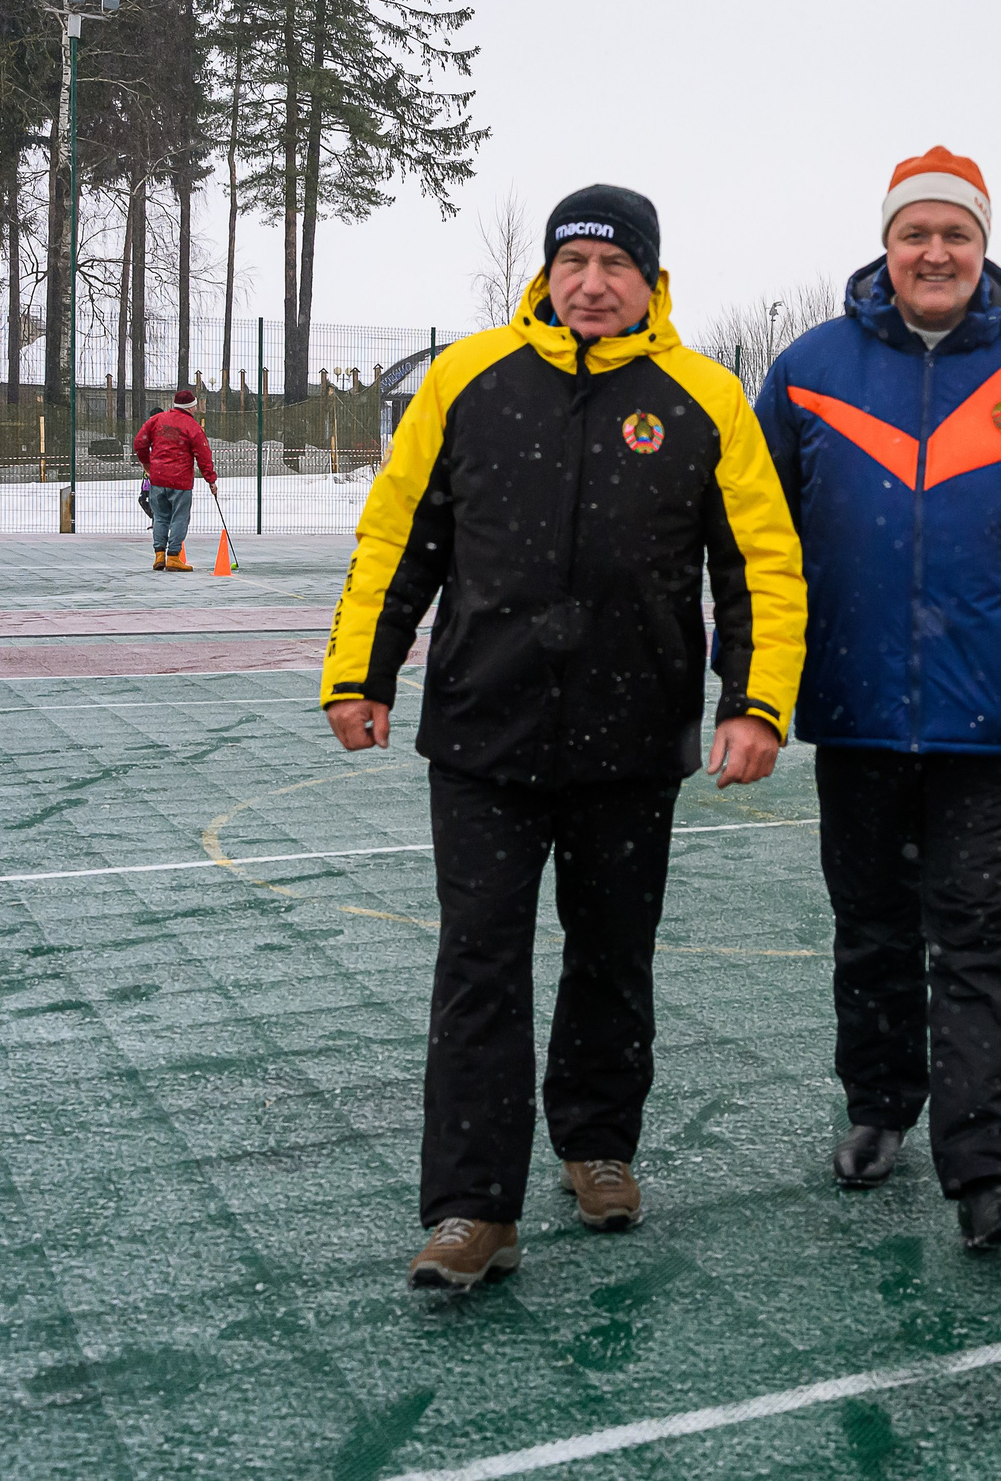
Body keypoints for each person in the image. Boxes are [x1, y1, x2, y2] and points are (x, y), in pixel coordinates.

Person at [320, 184, 807, 1291]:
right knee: (478, 966)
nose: (591, 284)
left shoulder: (703, 397)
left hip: (631, 744)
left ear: (651, 279)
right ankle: (469, 1210)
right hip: (483, 739)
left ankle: (598, 1148)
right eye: (571, 263)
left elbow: (759, 565)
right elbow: (401, 532)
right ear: (542, 275)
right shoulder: (466, 381)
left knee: (611, 959)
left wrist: (754, 701)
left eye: (614, 265)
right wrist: (361, 670)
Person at [756, 147, 1001, 1249]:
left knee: (975, 935)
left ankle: (984, 1171)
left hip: (993, 721)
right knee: (873, 927)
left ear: (984, 249)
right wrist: (756, 689)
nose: (937, 252)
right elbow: (752, 542)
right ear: (887, 245)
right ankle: (880, 1107)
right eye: (917, 232)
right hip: (856, 710)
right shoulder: (807, 368)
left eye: (956, 234)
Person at [133, 385, 217, 571]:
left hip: (158, 478)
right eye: (195, 406)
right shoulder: (193, 427)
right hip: (180, 481)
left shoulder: (157, 420)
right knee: (180, 517)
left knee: (160, 517)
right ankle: (173, 556)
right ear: (189, 407)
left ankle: (159, 555)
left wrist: (147, 464)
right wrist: (210, 479)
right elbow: (203, 455)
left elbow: (139, 442)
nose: (196, 409)